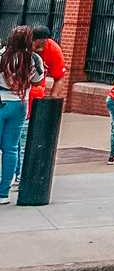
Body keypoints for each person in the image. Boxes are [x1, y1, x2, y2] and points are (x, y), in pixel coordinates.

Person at [18, 26, 67, 187]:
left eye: (43, 43)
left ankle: (22, 174)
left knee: (25, 138)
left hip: (34, 99)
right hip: (15, 97)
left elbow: (59, 77)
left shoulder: (52, 49)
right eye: (38, 43)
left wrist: (52, 101)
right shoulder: (19, 46)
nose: (41, 47)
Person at [0, 28, 44, 204]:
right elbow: (38, 80)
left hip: (2, 100)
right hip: (21, 103)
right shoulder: (33, 58)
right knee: (11, 148)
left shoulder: (3, 55)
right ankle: (3, 193)